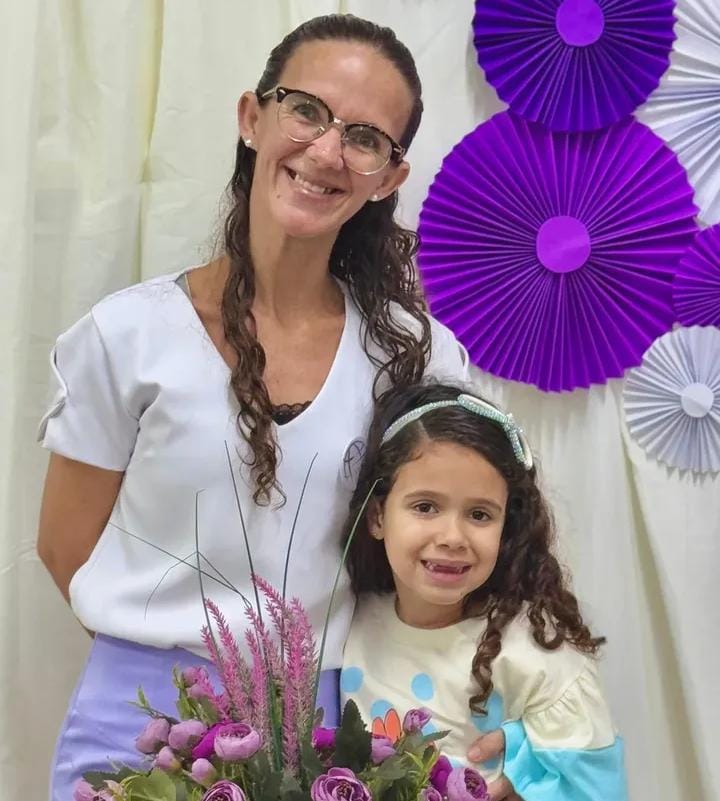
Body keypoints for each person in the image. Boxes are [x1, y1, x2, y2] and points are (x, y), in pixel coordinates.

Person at [36, 15, 472, 800]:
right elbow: (66, 546)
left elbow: (453, 543)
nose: (328, 150)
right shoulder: (126, 337)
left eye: (366, 137)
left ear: (389, 175)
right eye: (307, 110)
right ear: (252, 117)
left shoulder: (415, 356)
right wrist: (173, 679)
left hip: (331, 738)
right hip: (137, 737)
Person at [341, 382, 628, 801]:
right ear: (378, 516)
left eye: (479, 514)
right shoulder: (349, 621)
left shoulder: (534, 650)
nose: (453, 536)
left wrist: (536, 772)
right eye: (425, 507)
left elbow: (593, 785)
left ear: (506, 527)